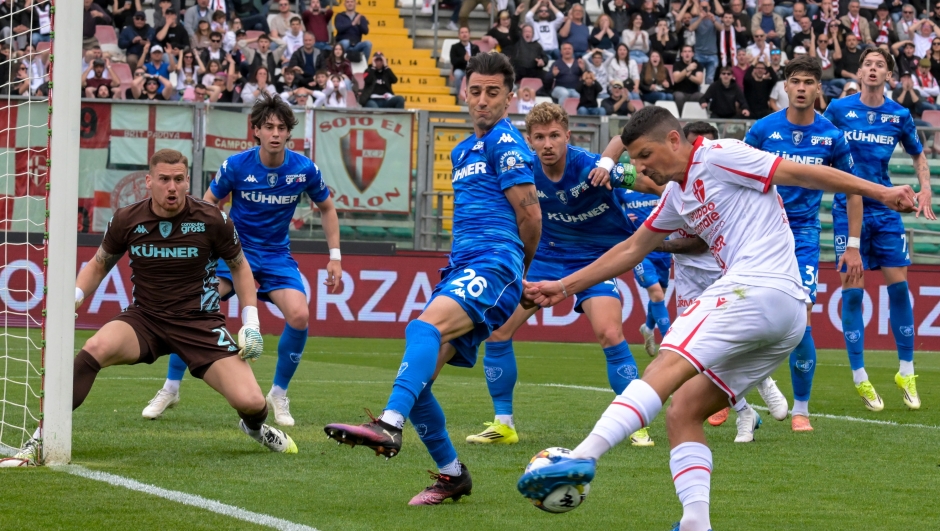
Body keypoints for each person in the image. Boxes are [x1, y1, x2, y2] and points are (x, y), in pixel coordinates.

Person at [516, 104, 916, 531]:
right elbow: (632, 249)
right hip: (783, 315)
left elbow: (800, 174)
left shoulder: (720, 154)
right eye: (633, 160)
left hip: (756, 288)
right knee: (683, 410)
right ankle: (695, 523)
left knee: (663, 367)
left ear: (674, 140)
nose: (640, 168)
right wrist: (563, 286)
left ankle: (581, 458)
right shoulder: (676, 194)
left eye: (645, 155)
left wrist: (882, 192)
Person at [324, 52, 542, 506]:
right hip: (464, 265)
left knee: (422, 329)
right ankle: (452, 474)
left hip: (495, 263)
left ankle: (388, 425)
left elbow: (531, 215)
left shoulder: (507, 143)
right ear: (465, 92)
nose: (482, 100)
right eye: (475, 91)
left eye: (493, 93)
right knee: (418, 380)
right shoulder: (463, 150)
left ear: (509, 98)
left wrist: (517, 271)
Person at [13, 148, 299, 465]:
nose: (172, 187)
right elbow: (97, 265)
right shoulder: (127, 219)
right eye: (164, 179)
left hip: (200, 325)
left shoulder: (212, 219)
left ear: (188, 181)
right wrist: (75, 299)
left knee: (251, 401)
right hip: (145, 320)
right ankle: (40, 438)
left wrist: (251, 323)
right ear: (149, 181)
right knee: (95, 347)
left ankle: (256, 429)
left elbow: (240, 267)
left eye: (178, 179)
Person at [465, 102, 659, 447]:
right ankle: (503, 423)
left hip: (594, 261)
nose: (547, 144)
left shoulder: (591, 168)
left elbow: (647, 182)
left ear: (567, 135)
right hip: (545, 258)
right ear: (529, 140)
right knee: (497, 332)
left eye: (555, 135)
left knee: (610, 333)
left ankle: (635, 423)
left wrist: (649, 184)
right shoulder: (523, 171)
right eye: (539, 137)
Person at [143, 95, 342, 426]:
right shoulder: (236, 165)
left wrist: (335, 257)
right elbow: (207, 202)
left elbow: (327, 208)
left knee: (299, 315)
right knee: (192, 306)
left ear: (288, 133)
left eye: (281, 128)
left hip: (277, 256)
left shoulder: (304, 169)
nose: (275, 133)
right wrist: (205, 246)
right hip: (234, 253)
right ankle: (171, 387)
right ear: (257, 131)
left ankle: (278, 394)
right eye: (268, 127)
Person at [744, 55, 861, 432]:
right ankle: (734, 396)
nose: (801, 88)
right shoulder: (762, 130)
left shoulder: (832, 136)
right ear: (785, 86)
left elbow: (854, 192)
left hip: (804, 236)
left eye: (809, 82)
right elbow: (739, 178)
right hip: (761, 232)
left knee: (801, 320)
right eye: (794, 81)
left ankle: (801, 410)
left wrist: (854, 244)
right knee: (744, 315)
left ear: (818, 89)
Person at [824, 47, 936, 412]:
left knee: (900, 290)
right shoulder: (839, 110)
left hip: (886, 210)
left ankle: (906, 372)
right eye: (868, 64)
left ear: (889, 76)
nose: (873, 69)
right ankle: (860, 377)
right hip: (846, 209)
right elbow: (821, 143)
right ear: (858, 73)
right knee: (852, 294)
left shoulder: (899, 114)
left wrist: (925, 187)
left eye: (880, 66)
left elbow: (918, 154)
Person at [689, 0, 722, 83]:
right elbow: (691, 28)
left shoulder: (715, 18)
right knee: (699, 81)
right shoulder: (695, 19)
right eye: (702, 7)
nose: (704, 8)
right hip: (699, 54)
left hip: (712, 54)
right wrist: (700, 17)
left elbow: (722, 29)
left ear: (710, 8)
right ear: (699, 8)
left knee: (709, 80)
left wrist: (713, 20)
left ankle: (708, 96)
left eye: (706, 7)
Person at [672, 45, 704, 112]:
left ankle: (699, 119)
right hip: (680, 92)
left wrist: (689, 76)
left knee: (701, 96)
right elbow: (676, 79)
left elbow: (699, 81)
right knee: (679, 96)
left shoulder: (697, 64)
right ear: (681, 54)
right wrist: (687, 69)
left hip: (693, 93)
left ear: (692, 54)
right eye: (685, 51)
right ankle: (680, 118)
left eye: (689, 51)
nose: (687, 53)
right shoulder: (677, 64)